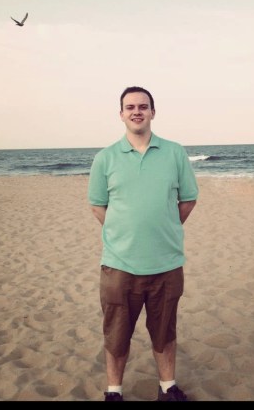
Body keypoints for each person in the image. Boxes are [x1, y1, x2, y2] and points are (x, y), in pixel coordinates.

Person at [88, 86, 199, 402]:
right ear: (121, 114)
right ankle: (114, 391)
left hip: (166, 263)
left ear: (153, 112)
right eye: (130, 107)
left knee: (165, 332)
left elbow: (188, 199)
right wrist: (124, 234)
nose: (137, 111)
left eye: (143, 106)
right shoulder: (105, 158)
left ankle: (167, 387)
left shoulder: (174, 152)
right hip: (119, 265)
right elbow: (97, 205)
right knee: (116, 335)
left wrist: (165, 228)